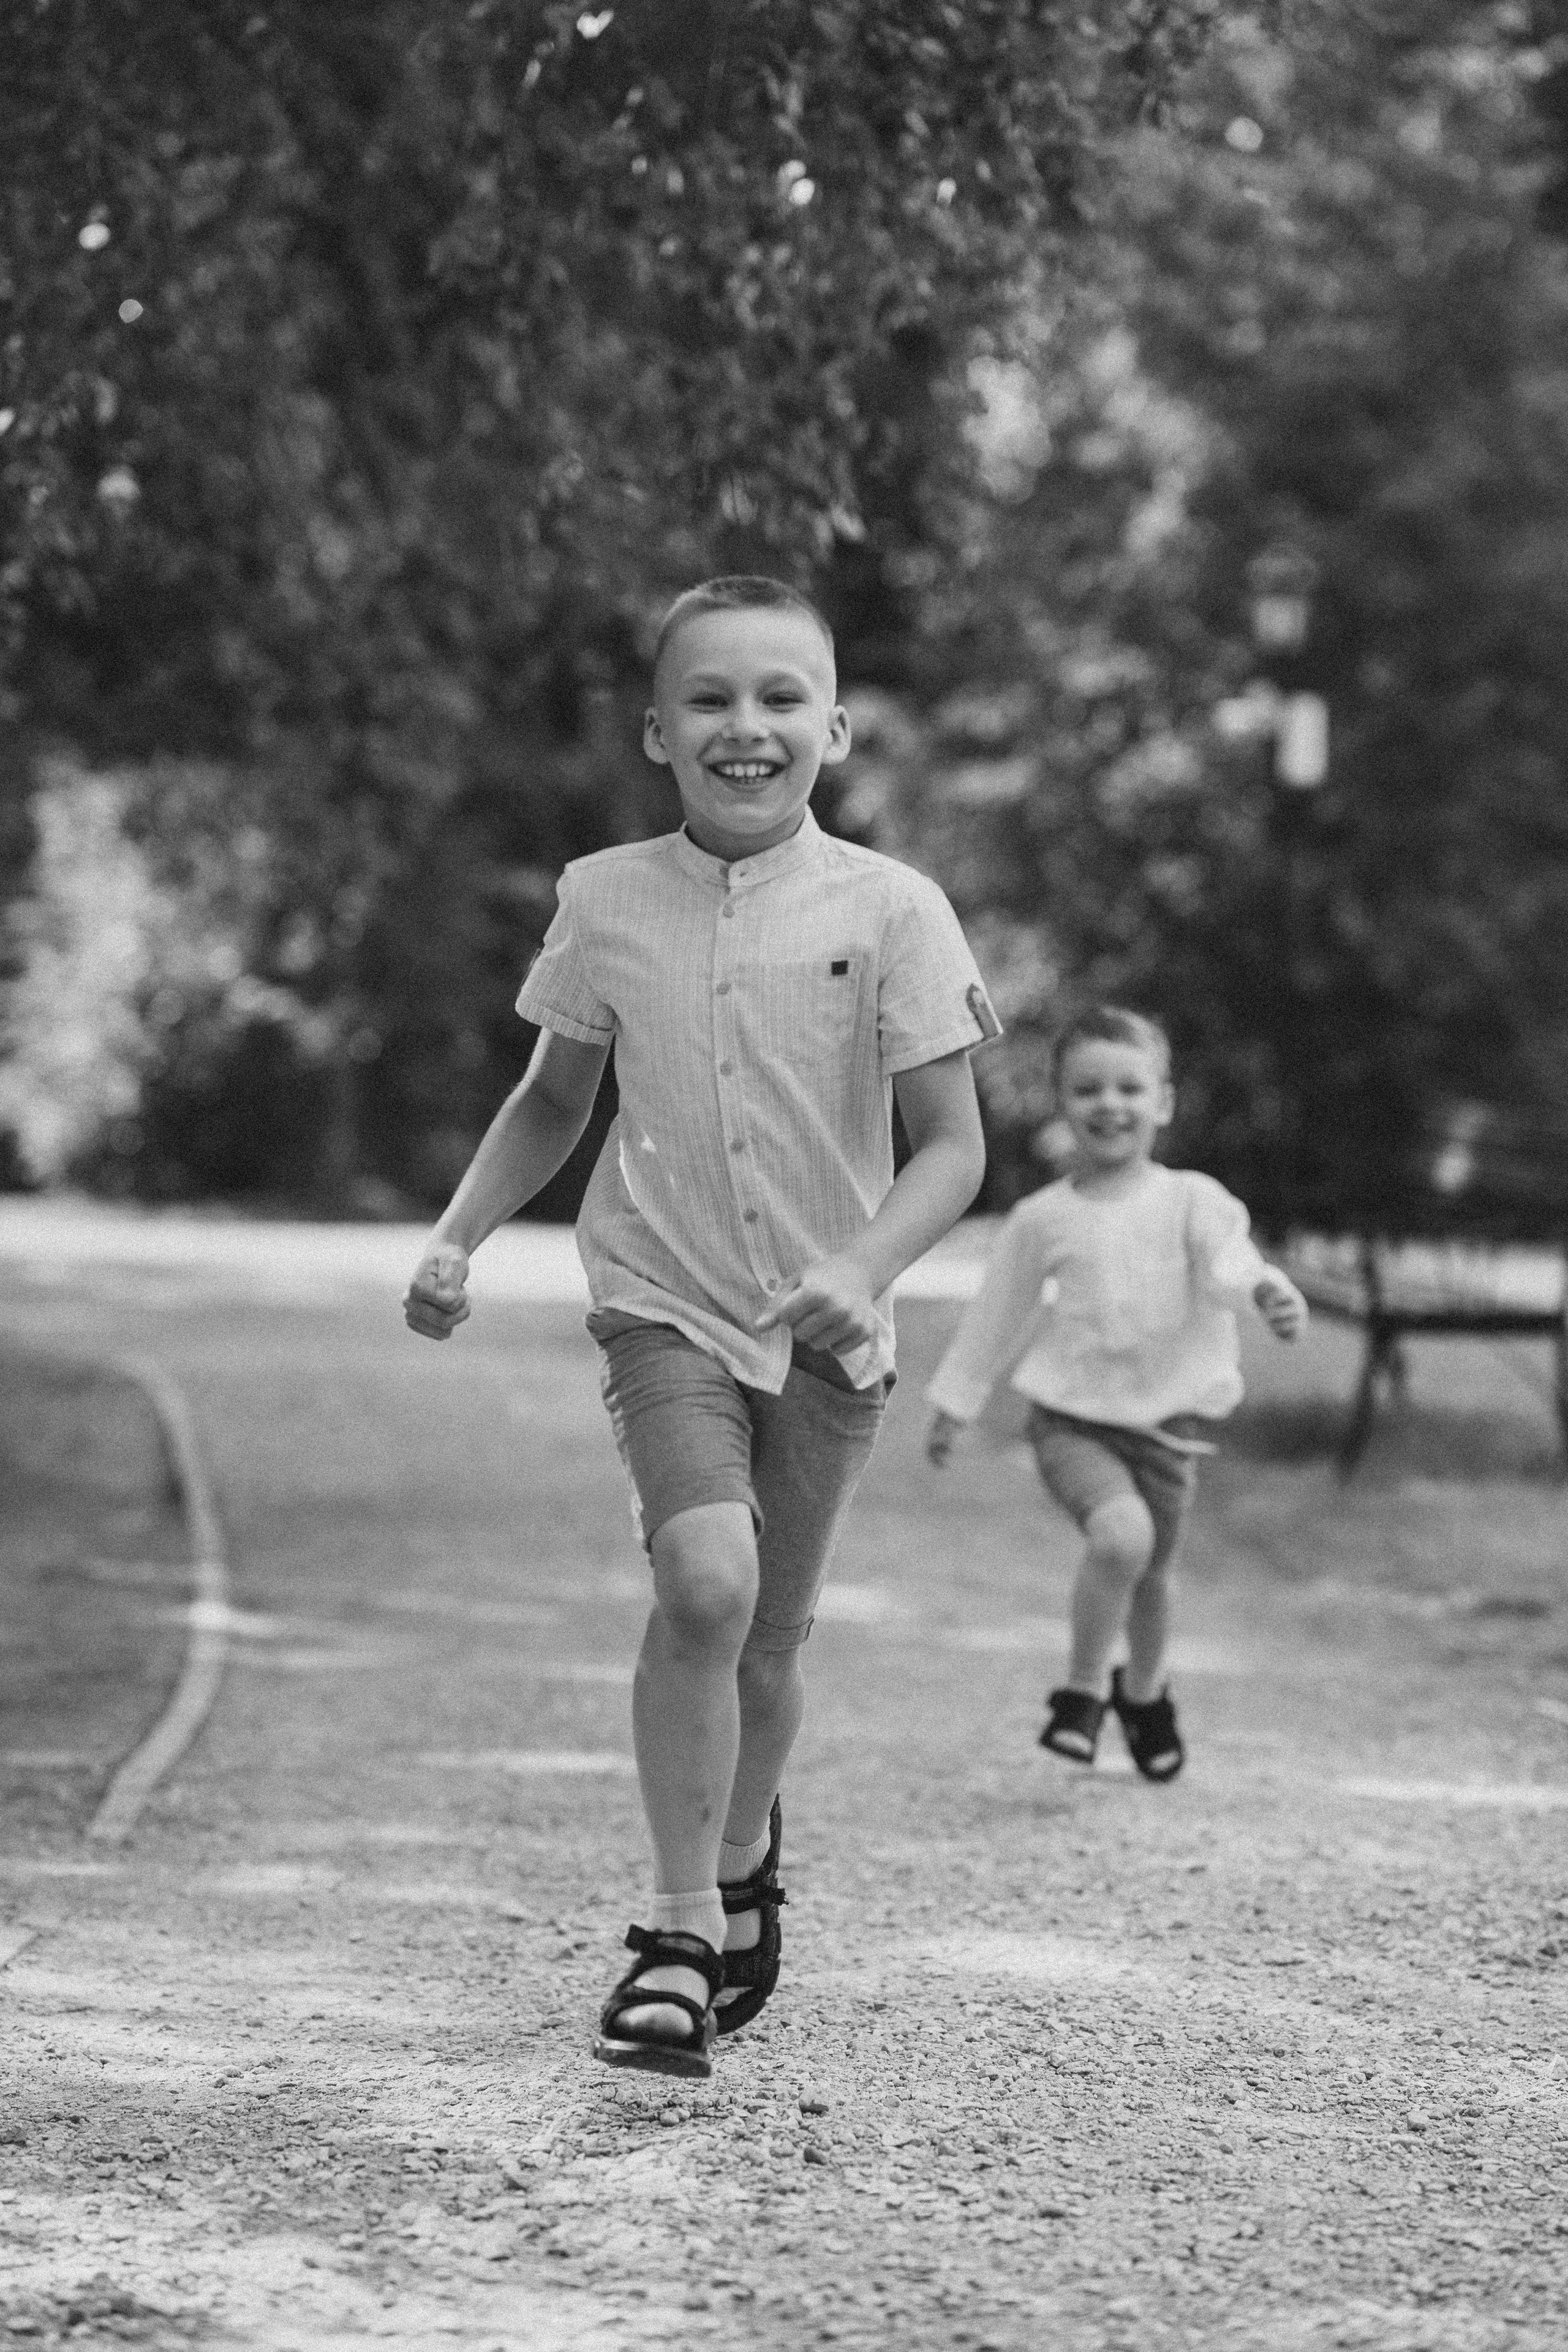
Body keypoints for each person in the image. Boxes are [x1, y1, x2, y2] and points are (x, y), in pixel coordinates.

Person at [404, 575, 998, 2076]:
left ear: (837, 727)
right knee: (704, 1584)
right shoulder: (602, 896)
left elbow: (953, 1148)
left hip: (825, 1330)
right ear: (656, 732)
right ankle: (673, 1932)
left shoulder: (893, 908)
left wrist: (865, 1269)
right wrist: (459, 1233)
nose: (749, 725)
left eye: (781, 696)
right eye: (712, 700)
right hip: (661, 1301)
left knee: (769, 1641)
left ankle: (741, 1850)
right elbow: (554, 1097)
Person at [924, 1005, 1306, 1782]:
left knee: (1152, 1575)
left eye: (1130, 1088)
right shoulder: (1043, 1218)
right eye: (1088, 1089)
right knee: (1121, 1541)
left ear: (1162, 1103)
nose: (1110, 1105)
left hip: (1167, 1426)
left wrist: (1263, 1287)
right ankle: (1080, 1694)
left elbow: (1229, 1260)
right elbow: (997, 1315)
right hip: (1071, 1425)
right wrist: (954, 1401)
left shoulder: (1193, 1200)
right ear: (1061, 1103)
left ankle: (1144, 1692)